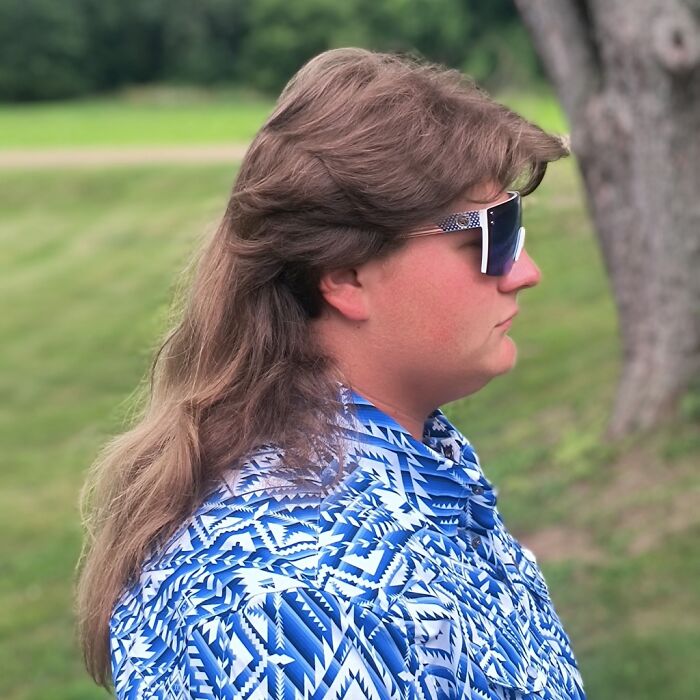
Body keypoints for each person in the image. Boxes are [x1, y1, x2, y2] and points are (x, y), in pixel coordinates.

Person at [76, 48, 584, 699]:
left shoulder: (421, 471)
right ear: (345, 276)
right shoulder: (280, 610)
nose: (524, 272)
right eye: (490, 236)